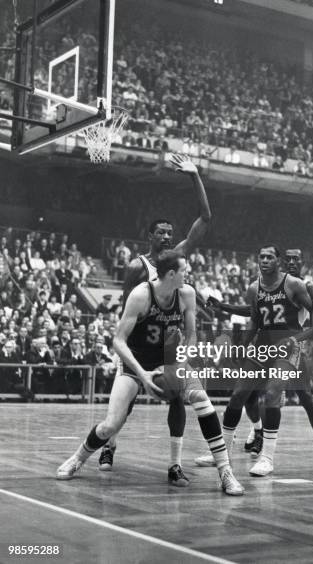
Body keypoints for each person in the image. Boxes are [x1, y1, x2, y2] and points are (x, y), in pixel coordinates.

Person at [56, 251, 244, 496]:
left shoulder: (186, 293)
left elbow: (191, 335)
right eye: (184, 271)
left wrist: (180, 361)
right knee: (110, 425)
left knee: (202, 400)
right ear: (171, 274)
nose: (188, 275)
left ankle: (225, 472)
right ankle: (78, 458)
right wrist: (143, 375)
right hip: (136, 361)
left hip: (169, 359)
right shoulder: (141, 295)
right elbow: (118, 341)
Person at [98, 153, 212, 486]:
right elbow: (126, 310)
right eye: (160, 233)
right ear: (150, 236)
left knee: (176, 397)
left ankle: (175, 464)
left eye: (169, 232)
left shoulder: (177, 258)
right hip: (138, 343)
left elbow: (205, 219)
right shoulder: (137, 267)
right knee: (127, 404)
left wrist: (194, 176)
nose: (166, 237)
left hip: (168, 344)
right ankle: (110, 444)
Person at [197, 248, 313, 475]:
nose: (291, 262)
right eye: (261, 256)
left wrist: (297, 340)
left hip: (293, 347)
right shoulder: (256, 287)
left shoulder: (303, 286)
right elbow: (255, 315)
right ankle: (234, 445)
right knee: (242, 395)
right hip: (264, 347)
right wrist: (239, 341)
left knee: (300, 397)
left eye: (294, 259)